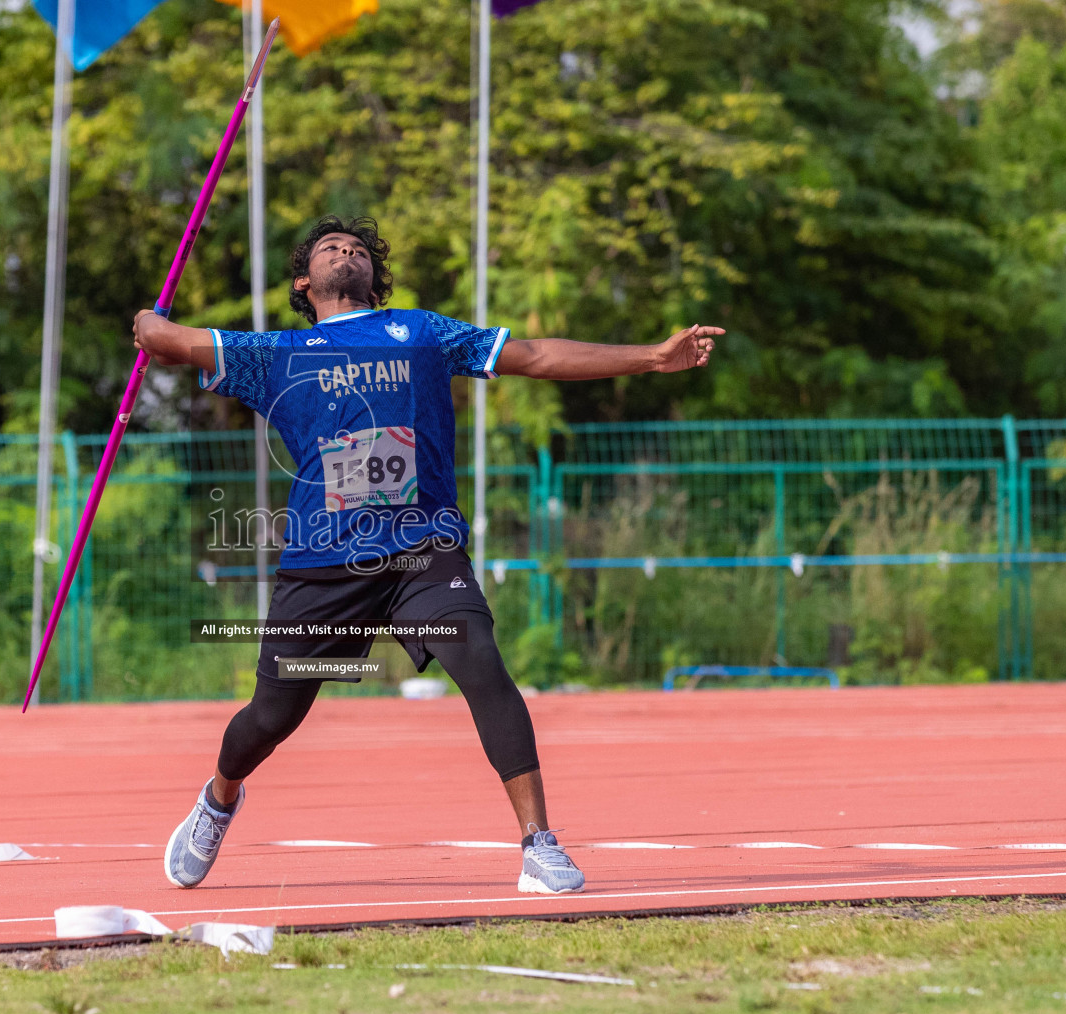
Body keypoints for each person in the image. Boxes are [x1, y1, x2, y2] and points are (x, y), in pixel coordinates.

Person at [132, 215, 719, 894]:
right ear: (305, 280)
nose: (346, 252)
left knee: (481, 661)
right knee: (271, 716)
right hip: (326, 563)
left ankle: (539, 843)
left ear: (372, 276)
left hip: (422, 549)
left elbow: (534, 355)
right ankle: (219, 799)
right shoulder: (278, 354)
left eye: (356, 249)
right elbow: (168, 342)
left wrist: (651, 356)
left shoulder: (422, 333)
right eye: (330, 249)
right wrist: (149, 326)